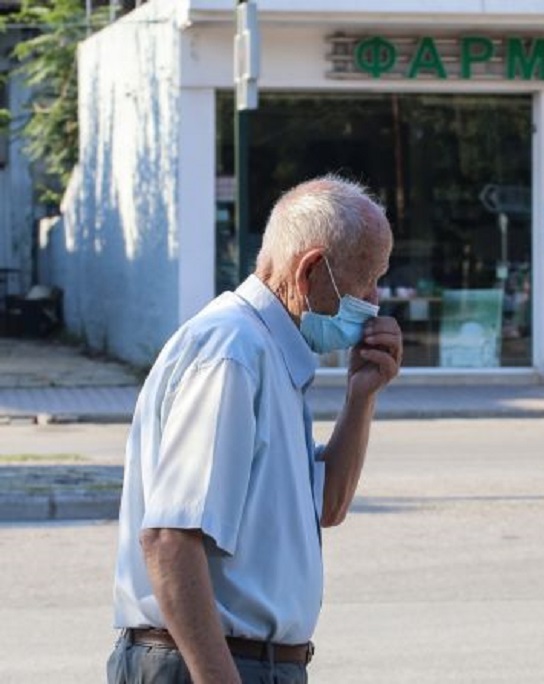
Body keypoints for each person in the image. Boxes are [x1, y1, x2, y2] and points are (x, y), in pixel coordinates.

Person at [107, 175, 402, 683]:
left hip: (245, 662)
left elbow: (326, 506)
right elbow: (170, 539)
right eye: (367, 279)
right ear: (311, 271)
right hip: (209, 663)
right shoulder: (233, 352)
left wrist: (362, 396)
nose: (375, 299)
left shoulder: (272, 352)